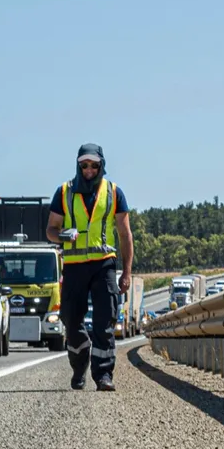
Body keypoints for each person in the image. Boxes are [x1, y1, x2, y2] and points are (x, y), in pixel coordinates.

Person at [46, 143, 133, 392]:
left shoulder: (114, 193)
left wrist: (126, 273)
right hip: (73, 266)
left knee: (106, 318)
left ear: (101, 165)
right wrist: (63, 236)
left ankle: (103, 374)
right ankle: (79, 363)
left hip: (104, 264)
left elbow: (125, 235)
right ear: (78, 165)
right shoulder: (63, 192)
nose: (89, 169)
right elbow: (50, 230)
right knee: (71, 321)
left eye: (94, 165)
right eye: (84, 165)